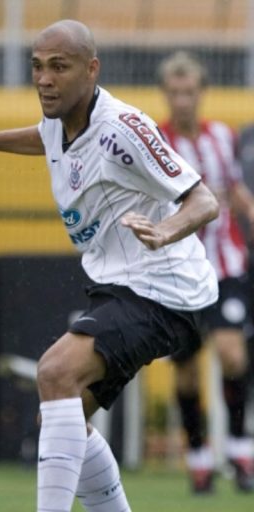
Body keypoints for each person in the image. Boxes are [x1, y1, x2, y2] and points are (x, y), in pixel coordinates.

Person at [0, 19, 219, 512]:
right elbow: (44, 137)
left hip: (164, 289)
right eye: (37, 67)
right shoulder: (61, 120)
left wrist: (164, 231)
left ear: (91, 70)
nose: (44, 79)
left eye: (59, 67)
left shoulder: (125, 129)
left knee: (54, 373)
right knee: (62, 416)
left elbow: (203, 201)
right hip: (122, 286)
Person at [157, 51, 254, 493]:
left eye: (189, 92)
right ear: (166, 95)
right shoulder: (154, 140)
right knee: (187, 370)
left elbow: (236, 192)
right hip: (177, 271)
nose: (182, 101)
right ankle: (198, 455)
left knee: (233, 353)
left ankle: (238, 448)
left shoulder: (222, 136)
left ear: (201, 94)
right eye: (175, 93)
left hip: (226, 265)